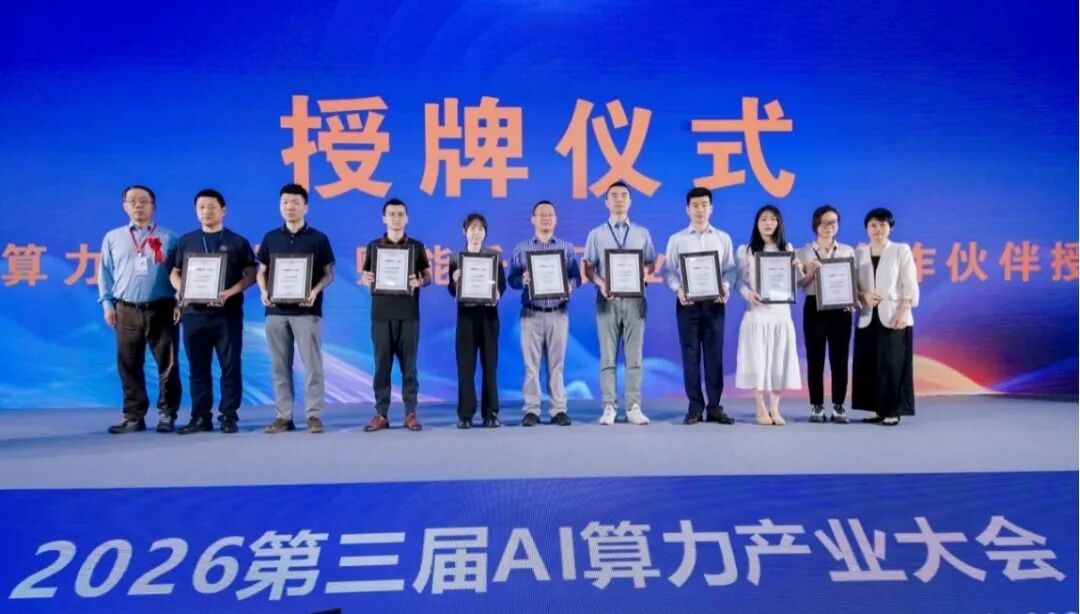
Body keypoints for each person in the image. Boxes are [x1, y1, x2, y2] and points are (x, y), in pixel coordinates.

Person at [169, 189, 256, 434]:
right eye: (201, 207)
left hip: (227, 314)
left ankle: (228, 416)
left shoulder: (238, 242)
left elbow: (251, 274)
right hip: (193, 315)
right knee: (198, 368)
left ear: (223, 210)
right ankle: (200, 417)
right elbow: (174, 271)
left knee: (230, 366)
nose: (206, 211)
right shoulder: (186, 241)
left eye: (211, 207)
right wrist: (183, 290)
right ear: (196, 211)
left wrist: (230, 292)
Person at [100, 185, 181, 434]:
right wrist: (107, 304)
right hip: (125, 309)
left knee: (168, 364)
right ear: (124, 206)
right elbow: (105, 273)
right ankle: (134, 416)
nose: (138, 205)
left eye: (144, 201)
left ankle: (167, 414)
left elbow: (181, 274)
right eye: (132, 200)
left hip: (162, 308)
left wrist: (180, 301)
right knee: (128, 363)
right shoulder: (112, 238)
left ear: (154, 206)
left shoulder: (170, 238)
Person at [256, 183, 335, 434]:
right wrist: (263, 291)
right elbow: (261, 271)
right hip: (276, 312)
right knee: (279, 366)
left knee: (312, 365)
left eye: (295, 202)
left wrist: (314, 291)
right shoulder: (270, 238)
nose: (289, 207)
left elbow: (329, 274)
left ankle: (313, 415)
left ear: (305, 207)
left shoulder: (318, 238)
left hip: (307, 311)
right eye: (285, 202)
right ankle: (284, 416)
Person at [583, 180, 657, 426]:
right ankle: (609, 406)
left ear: (630, 201)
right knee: (608, 357)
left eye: (624, 195)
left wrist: (645, 272)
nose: (619, 199)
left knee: (635, 357)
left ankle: (634, 406)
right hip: (607, 300)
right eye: (613, 195)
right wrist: (601, 283)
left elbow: (650, 262)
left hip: (636, 301)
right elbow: (588, 267)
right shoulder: (596, 234)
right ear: (606, 202)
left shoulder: (642, 233)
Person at [662, 186, 737, 425]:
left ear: (711, 208)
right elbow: (668, 271)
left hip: (715, 304)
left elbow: (731, 270)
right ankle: (695, 406)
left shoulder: (723, 238)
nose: (700, 209)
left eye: (704, 205)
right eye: (695, 205)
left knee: (714, 356)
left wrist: (725, 286)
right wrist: (678, 289)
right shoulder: (677, 239)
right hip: (688, 305)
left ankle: (714, 407)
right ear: (687, 209)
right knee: (690, 355)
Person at [507, 201, 581, 427]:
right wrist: (522, 280)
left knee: (557, 366)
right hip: (531, 313)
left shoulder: (566, 248)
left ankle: (558, 410)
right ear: (533, 219)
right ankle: (532, 409)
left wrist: (569, 286)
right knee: (531, 366)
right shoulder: (521, 248)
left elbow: (576, 277)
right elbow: (511, 280)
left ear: (556, 219)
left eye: (550, 215)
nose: (546, 218)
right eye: (541, 215)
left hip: (558, 313)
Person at [360, 198, 431, 432]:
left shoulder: (416, 247)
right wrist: (365, 279)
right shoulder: (374, 247)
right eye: (391, 214)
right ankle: (381, 413)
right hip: (381, 314)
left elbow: (428, 277)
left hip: (409, 314)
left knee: (409, 367)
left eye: (400, 214)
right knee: (382, 367)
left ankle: (410, 413)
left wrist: (419, 281)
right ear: (384, 218)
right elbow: (365, 276)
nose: (396, 218)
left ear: (407, 218)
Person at [735, 205, 802, 426]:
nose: (768, 223)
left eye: (773, 219)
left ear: (779, 223)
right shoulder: (746, 251)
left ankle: (774, 407)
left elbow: (795, 283)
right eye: (763, 219)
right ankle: (760, 407)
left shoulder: (788, 249)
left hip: (781, 314)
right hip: (757, 313)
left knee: (778, 362)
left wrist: (797, 268)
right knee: (758, 361)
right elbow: (738, 281)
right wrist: (748, 294)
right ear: (757, 223)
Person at [852, 207, 919, 426]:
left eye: (882, 224)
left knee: (893, 364)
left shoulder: (900, 250)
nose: (878, 229)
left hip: (894, 315)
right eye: (873, 225)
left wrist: (904, 310)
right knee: (870, 363)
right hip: (867, 316)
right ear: (866, 228)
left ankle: (893, 410)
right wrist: (863, 296)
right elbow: (852, 286)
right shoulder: (859, 253)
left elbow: (909, 283)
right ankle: (876, 409)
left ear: (890, 227)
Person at [796, 205, 855, 424]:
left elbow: (852, 281)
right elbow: (797, 284)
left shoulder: (847, 251)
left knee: (840, 358)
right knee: (815, 358)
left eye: (833, 222)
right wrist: (810, 272)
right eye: (824, 223)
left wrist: (851, 299)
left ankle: (839, 405)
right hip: (814, 307)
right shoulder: (803, 252)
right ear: (815, 225)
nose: (828, 227)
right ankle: (817, 405)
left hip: (841, 309)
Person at [447, 213, 507, 429]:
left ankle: (491, 413)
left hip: (489, 316)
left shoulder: (494, 257)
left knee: (490, 366)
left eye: (480, 229)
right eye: (472, 228)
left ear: (485, 233)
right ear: (464, 231)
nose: (476, 233)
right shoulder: (456, 258)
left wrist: (497, 293)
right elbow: (452, 291)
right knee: (466, 367)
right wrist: (454, 282)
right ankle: (465, 414)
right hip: (466, 316)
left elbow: (501, 285)